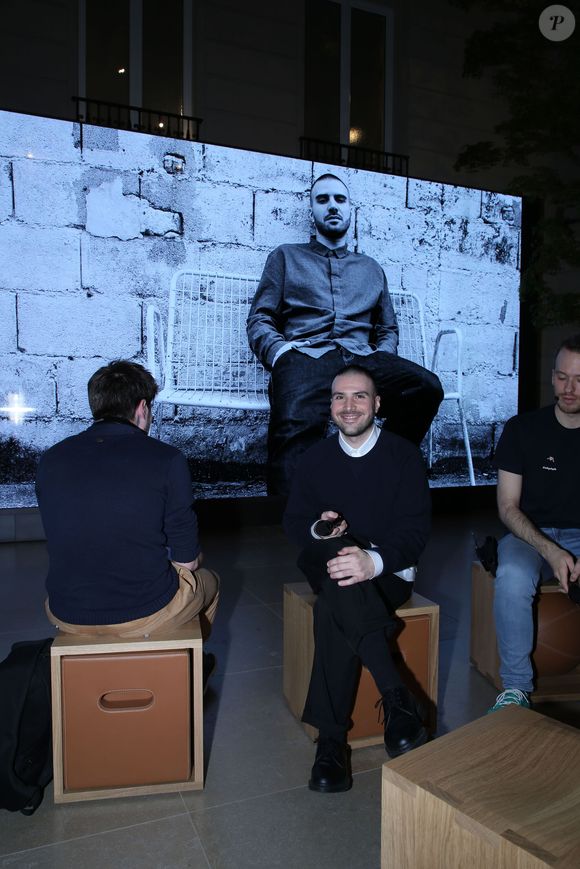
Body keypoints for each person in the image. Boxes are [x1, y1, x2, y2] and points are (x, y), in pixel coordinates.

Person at [247, 172, 443, 495]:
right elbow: (260, 319)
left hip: (364, 360)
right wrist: (281, 354)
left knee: (426, 388)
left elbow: (388, 327)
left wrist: (383, 356)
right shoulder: (285, 257)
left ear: (351, 208)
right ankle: (290, 523)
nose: (332, 206)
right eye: (322, 200)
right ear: (312, 211)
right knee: (293, 429)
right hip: (306, 356)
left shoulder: (371, 268)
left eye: (340, 199)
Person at [283, 365, 431, 792]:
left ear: (377, 403)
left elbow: (415, 533)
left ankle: (330, 743)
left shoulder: (403, 455)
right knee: (335, 554)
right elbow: (294, 524)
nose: (348, 407)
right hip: (332, 565)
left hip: (385, 573)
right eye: (339, 397)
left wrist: (373, 561)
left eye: (359, 396)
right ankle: (397, 699)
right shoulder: (315, 459)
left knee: (334, 605)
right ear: (330, 405)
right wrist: (318, 527)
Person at [36, 360, 219, 669]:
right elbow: (187, 561)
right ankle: (191, 667)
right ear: (142, 408)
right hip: (143, 610)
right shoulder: (167, 458)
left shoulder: (51, 458)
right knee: (208, 580)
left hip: (65, 611)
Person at [489, 334, 580, 712]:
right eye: (561, 377)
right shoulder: (522, 429)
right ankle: (515, 690)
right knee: (511, 575)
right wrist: (550, 549)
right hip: (529, 535)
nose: (569, 389)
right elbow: (508, 508)